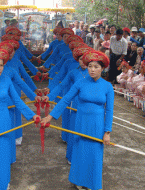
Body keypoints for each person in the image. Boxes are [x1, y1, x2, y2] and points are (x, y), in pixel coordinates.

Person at [41, 50, 113, 190]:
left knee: (94, 153)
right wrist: (49, 117)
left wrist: (107, 132)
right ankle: (79, 180)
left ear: (103, 69)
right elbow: (65, 100)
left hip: (97, 125)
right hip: (81, 122)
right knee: (80, 150)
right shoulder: (80, 83)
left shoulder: (107, 86)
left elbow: (109, 110)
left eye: (96, 67)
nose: (92, 70)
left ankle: (93, 183)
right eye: (90, 66)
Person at [0, 48, 40, 189]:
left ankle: (3, 184)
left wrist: (32, 115)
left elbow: (18, 101)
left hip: (4, 122)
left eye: (1, 65)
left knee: (3, 156)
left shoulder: (7, 81)